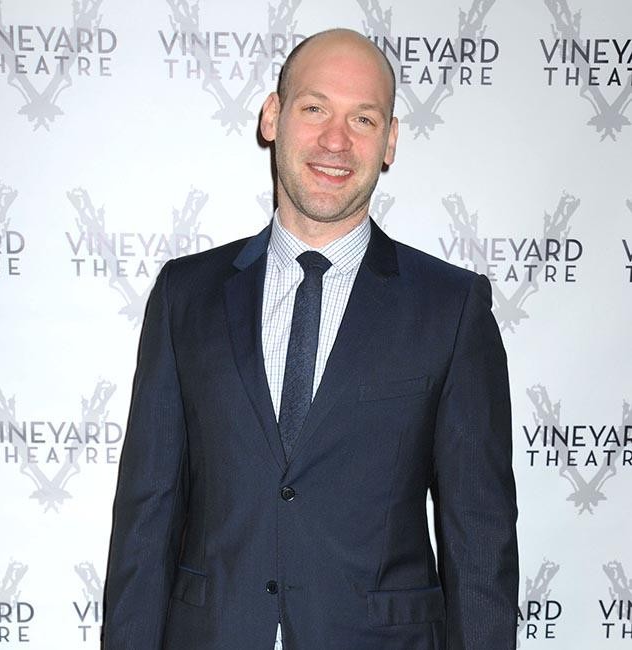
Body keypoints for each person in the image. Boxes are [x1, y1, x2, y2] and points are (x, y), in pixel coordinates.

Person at [102, 28, 518, 650]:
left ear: (391, 141)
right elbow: (146, 518)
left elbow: (480, 537)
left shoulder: (451, 308)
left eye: (363, 119)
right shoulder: (184, 296)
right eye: (315, 108)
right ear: (273, 116)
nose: (336, 141)